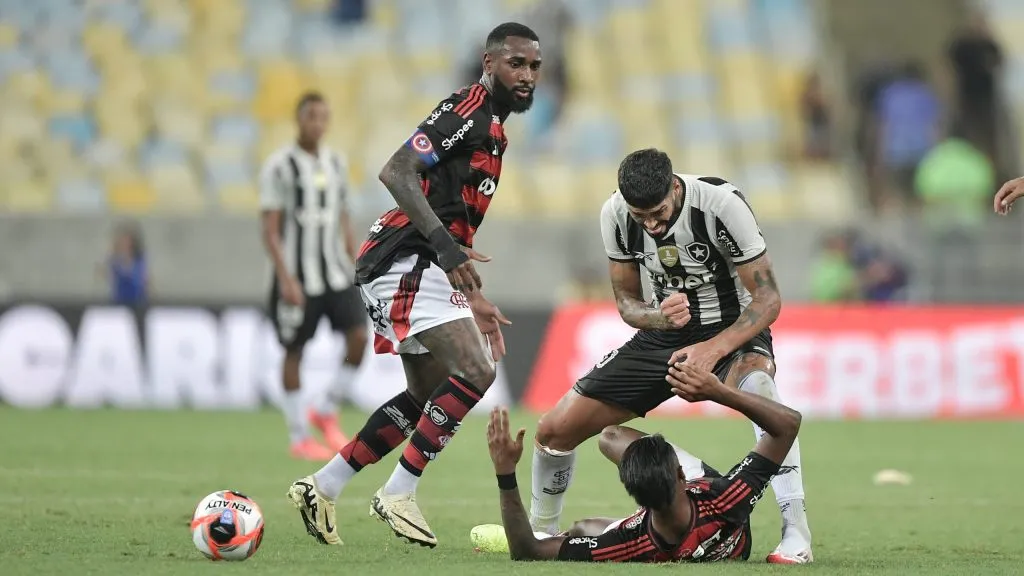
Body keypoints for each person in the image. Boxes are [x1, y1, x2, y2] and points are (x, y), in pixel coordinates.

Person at [286, 22, 543, 548]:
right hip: (403, 258)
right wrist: (449, 254)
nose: (527, 75)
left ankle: (323, 485)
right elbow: (397, 171)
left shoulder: (494, 127)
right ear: (489, 62)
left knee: (425, 393)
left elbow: (448, 214)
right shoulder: (465, 110)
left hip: (416, 263)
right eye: (516, 63)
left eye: (535, 66)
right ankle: (399, 491)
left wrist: (471, 294)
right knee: (476, 368)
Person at [527, 149, 813, 564]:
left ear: (674, 187)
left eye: (658, 213)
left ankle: (795, 532)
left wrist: (711, 350)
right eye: (640, 215)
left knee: (761, 388)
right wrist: (655, 316)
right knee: (555, 429)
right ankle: (541, 532)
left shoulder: (720, 205)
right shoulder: (614, 214)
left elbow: (768, 299)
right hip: (664, 337)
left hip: (730, 331)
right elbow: (627, 302)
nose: (651, 224)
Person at [477, 361, 802, 563]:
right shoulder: (725, 499)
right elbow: (787, 424)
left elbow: (526, 552)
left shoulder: (628, 544)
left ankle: (554, 529)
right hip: (729, 535)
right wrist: (718, 392)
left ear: (637, 500)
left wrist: (505, 472)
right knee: (590, 510)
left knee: (583, 524)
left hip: (664, 531)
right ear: (680, 473)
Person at [259, 92, 369, 461]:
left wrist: (356, 263)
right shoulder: (280, 167)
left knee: (358, 338)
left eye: (323, 117)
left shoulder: (336, 163)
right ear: (298, 119)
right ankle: (299, 435)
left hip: (335, 272)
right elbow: (271, 229)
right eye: (311, 116)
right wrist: (286, 279)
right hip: (298, 277)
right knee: (295, 350)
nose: (317, 124)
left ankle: (325, 409)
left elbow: (343, 218)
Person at [101, 222, 149, 307]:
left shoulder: (138, 259)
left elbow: (141, 279)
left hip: (136, 300)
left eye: (127, 240)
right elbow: (104, 272)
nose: (124, 243)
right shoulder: (114, 259)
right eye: (122, 240)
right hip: (119, 301)